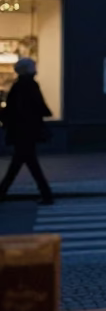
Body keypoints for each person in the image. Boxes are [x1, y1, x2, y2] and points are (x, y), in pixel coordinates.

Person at [0, 58, 54, 205]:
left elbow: (13, 109)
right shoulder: (30, 85)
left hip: (22, 131)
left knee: (21, 164)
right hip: (28, 131)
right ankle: (46, 194)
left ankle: (46, 194)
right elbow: (39, 107)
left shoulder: (20, 86)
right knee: (25, 163)